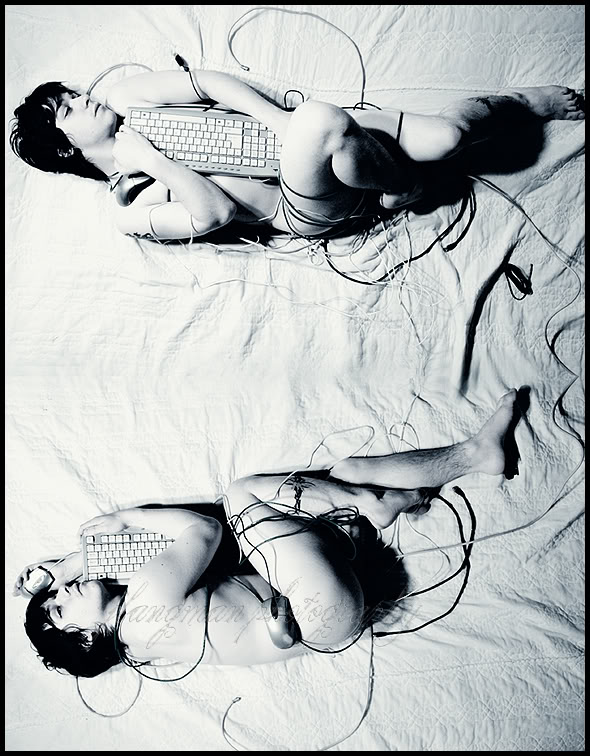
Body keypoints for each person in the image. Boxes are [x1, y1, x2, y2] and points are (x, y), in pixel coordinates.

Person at [15, 390, 519, 677]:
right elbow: (205, 529)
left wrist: (67, 566)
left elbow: (163, 567)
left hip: (324, 619)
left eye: (55, 595)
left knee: (345, 473)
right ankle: (376, 502)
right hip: (313, 604)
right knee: (241, 494)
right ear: (85, 639)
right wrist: (128, 517)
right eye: (59, 608)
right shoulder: (146, 599)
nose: (64, 593)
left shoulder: (141, 647)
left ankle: (471, 458)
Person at [9, 69, 584, 243]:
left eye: (71, 93)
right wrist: (156, 162)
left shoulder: (127, 96)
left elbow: (208, 83)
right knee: (321, 123)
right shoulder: (128, 206)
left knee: (449, 140)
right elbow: (214, 214)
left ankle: (517, 103)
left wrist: (276, 121)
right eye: (68, 109)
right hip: (302, 205)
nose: (83, 98)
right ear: (66, 147)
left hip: (306, 140)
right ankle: (401, 189)